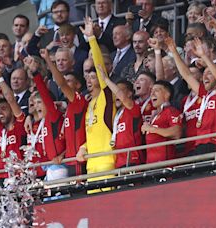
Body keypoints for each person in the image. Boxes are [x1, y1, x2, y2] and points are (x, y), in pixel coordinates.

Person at [77, 17, 116, 194]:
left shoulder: (106, 98)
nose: (90, 80)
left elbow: (99, 66)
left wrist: (92, 39)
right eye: (88, 78)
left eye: (94, 77)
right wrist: (83, 147)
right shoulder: (90, 104)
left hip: (107, 163)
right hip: (91, 166)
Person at [168, 37, 216, 155]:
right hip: (199, 143)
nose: (205, 77)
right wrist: (174, 52)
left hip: (215, 142)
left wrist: (204, 56)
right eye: (204, 74)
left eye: (210, 74)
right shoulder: (204, 94)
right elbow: (186, 75)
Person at [40, 48, 87, 176]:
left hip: (79, 160)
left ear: (78, 85)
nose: (65, 84)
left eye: (69, 81)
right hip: (70, 160)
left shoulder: (79, 101)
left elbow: (61, 84)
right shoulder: (68, 108)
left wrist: (49, 61)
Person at [98, 66, 143, 168]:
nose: (116, 94)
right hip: (119, 160)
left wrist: (106, 80)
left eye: (119, 90)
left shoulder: (133, 108)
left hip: (132, 158)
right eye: (114, 92)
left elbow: (121, 96)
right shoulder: (117, 114)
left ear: (130, 93)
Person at [141, 80, 182, 163]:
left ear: (167, 95)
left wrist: (152, 129)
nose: (152, 94)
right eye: (151, 91)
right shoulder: (155, 115)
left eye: (156, 90)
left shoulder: (170, 111)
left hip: (164, 165)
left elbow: (177, 133)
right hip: (150, 165)